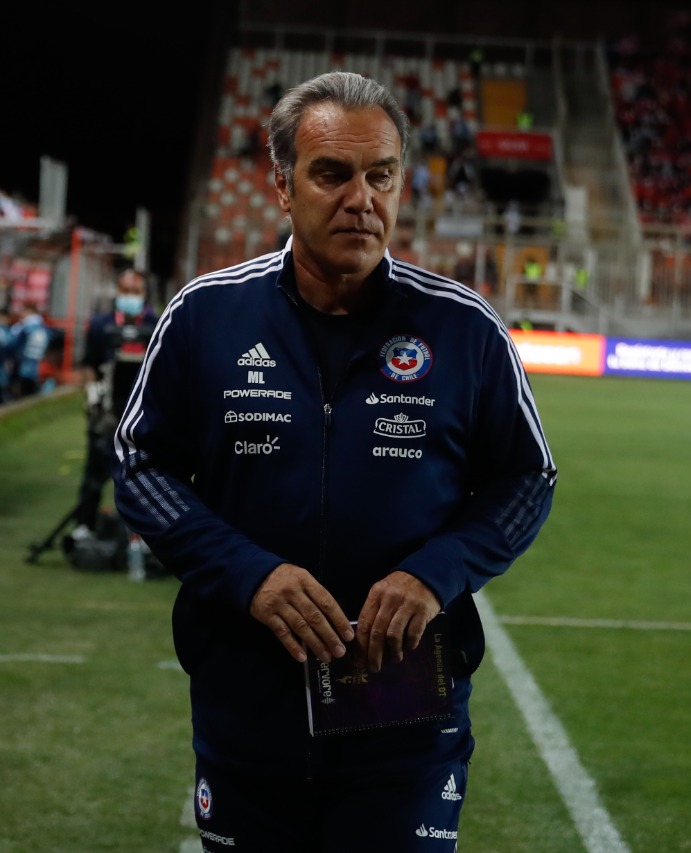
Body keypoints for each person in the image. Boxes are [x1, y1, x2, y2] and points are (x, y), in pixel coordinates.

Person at [111, 71, 557, 851]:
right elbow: (138, 464)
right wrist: (248, 573)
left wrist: (436, 571)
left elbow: (529, 478)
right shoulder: (206, 315)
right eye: (333, 174)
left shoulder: (464, 329)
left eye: (381, 175)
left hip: (406, 724)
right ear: (282, 187)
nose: (362, 198)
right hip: (248, 713)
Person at [69, 268, 159, 540]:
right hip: (108, 410)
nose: (129, 296)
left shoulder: (156, 324)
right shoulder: (101, 324)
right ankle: (84, 526)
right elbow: (89, 367)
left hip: (144, 414)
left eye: (135, 291)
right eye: (125, 290)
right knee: (95, 470)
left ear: (144, 295)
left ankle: (144, 536)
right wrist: (92, 403)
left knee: (146, 475)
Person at [7, 301, 50, 399]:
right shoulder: (43, 327)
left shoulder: (25, 327)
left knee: (23, 394)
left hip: (23, 364)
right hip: (37, 365)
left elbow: (12, 343)